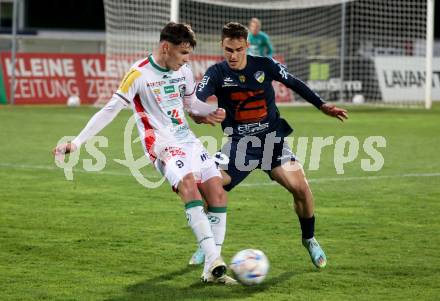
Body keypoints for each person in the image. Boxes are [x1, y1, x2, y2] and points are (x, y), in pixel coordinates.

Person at [52, 22, 236, 285]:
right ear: (165, 47)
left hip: (187, 139)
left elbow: (191, 104)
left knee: (217, 190)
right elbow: (110, 109)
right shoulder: (138, 74)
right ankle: (214, 258)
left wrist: (211, 111)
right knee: (188, 185)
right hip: (160, 142)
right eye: (183, 53)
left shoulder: (183, 71)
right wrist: (78, 142)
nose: (187, 59)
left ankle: (212, 270)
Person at [188, 22, 348, 269]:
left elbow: (294, 83)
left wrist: (321, 105)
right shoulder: (216, 73)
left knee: (302, 189)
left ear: (246, 46)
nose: (233, 55)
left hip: (273, 142)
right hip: (240, 145)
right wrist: (203, 113)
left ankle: (309, 239)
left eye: (238, 49)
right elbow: (197, 99)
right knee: (208, 185)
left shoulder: (264, 65)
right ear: (222, 45)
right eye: (229, 49)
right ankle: (206, 244)